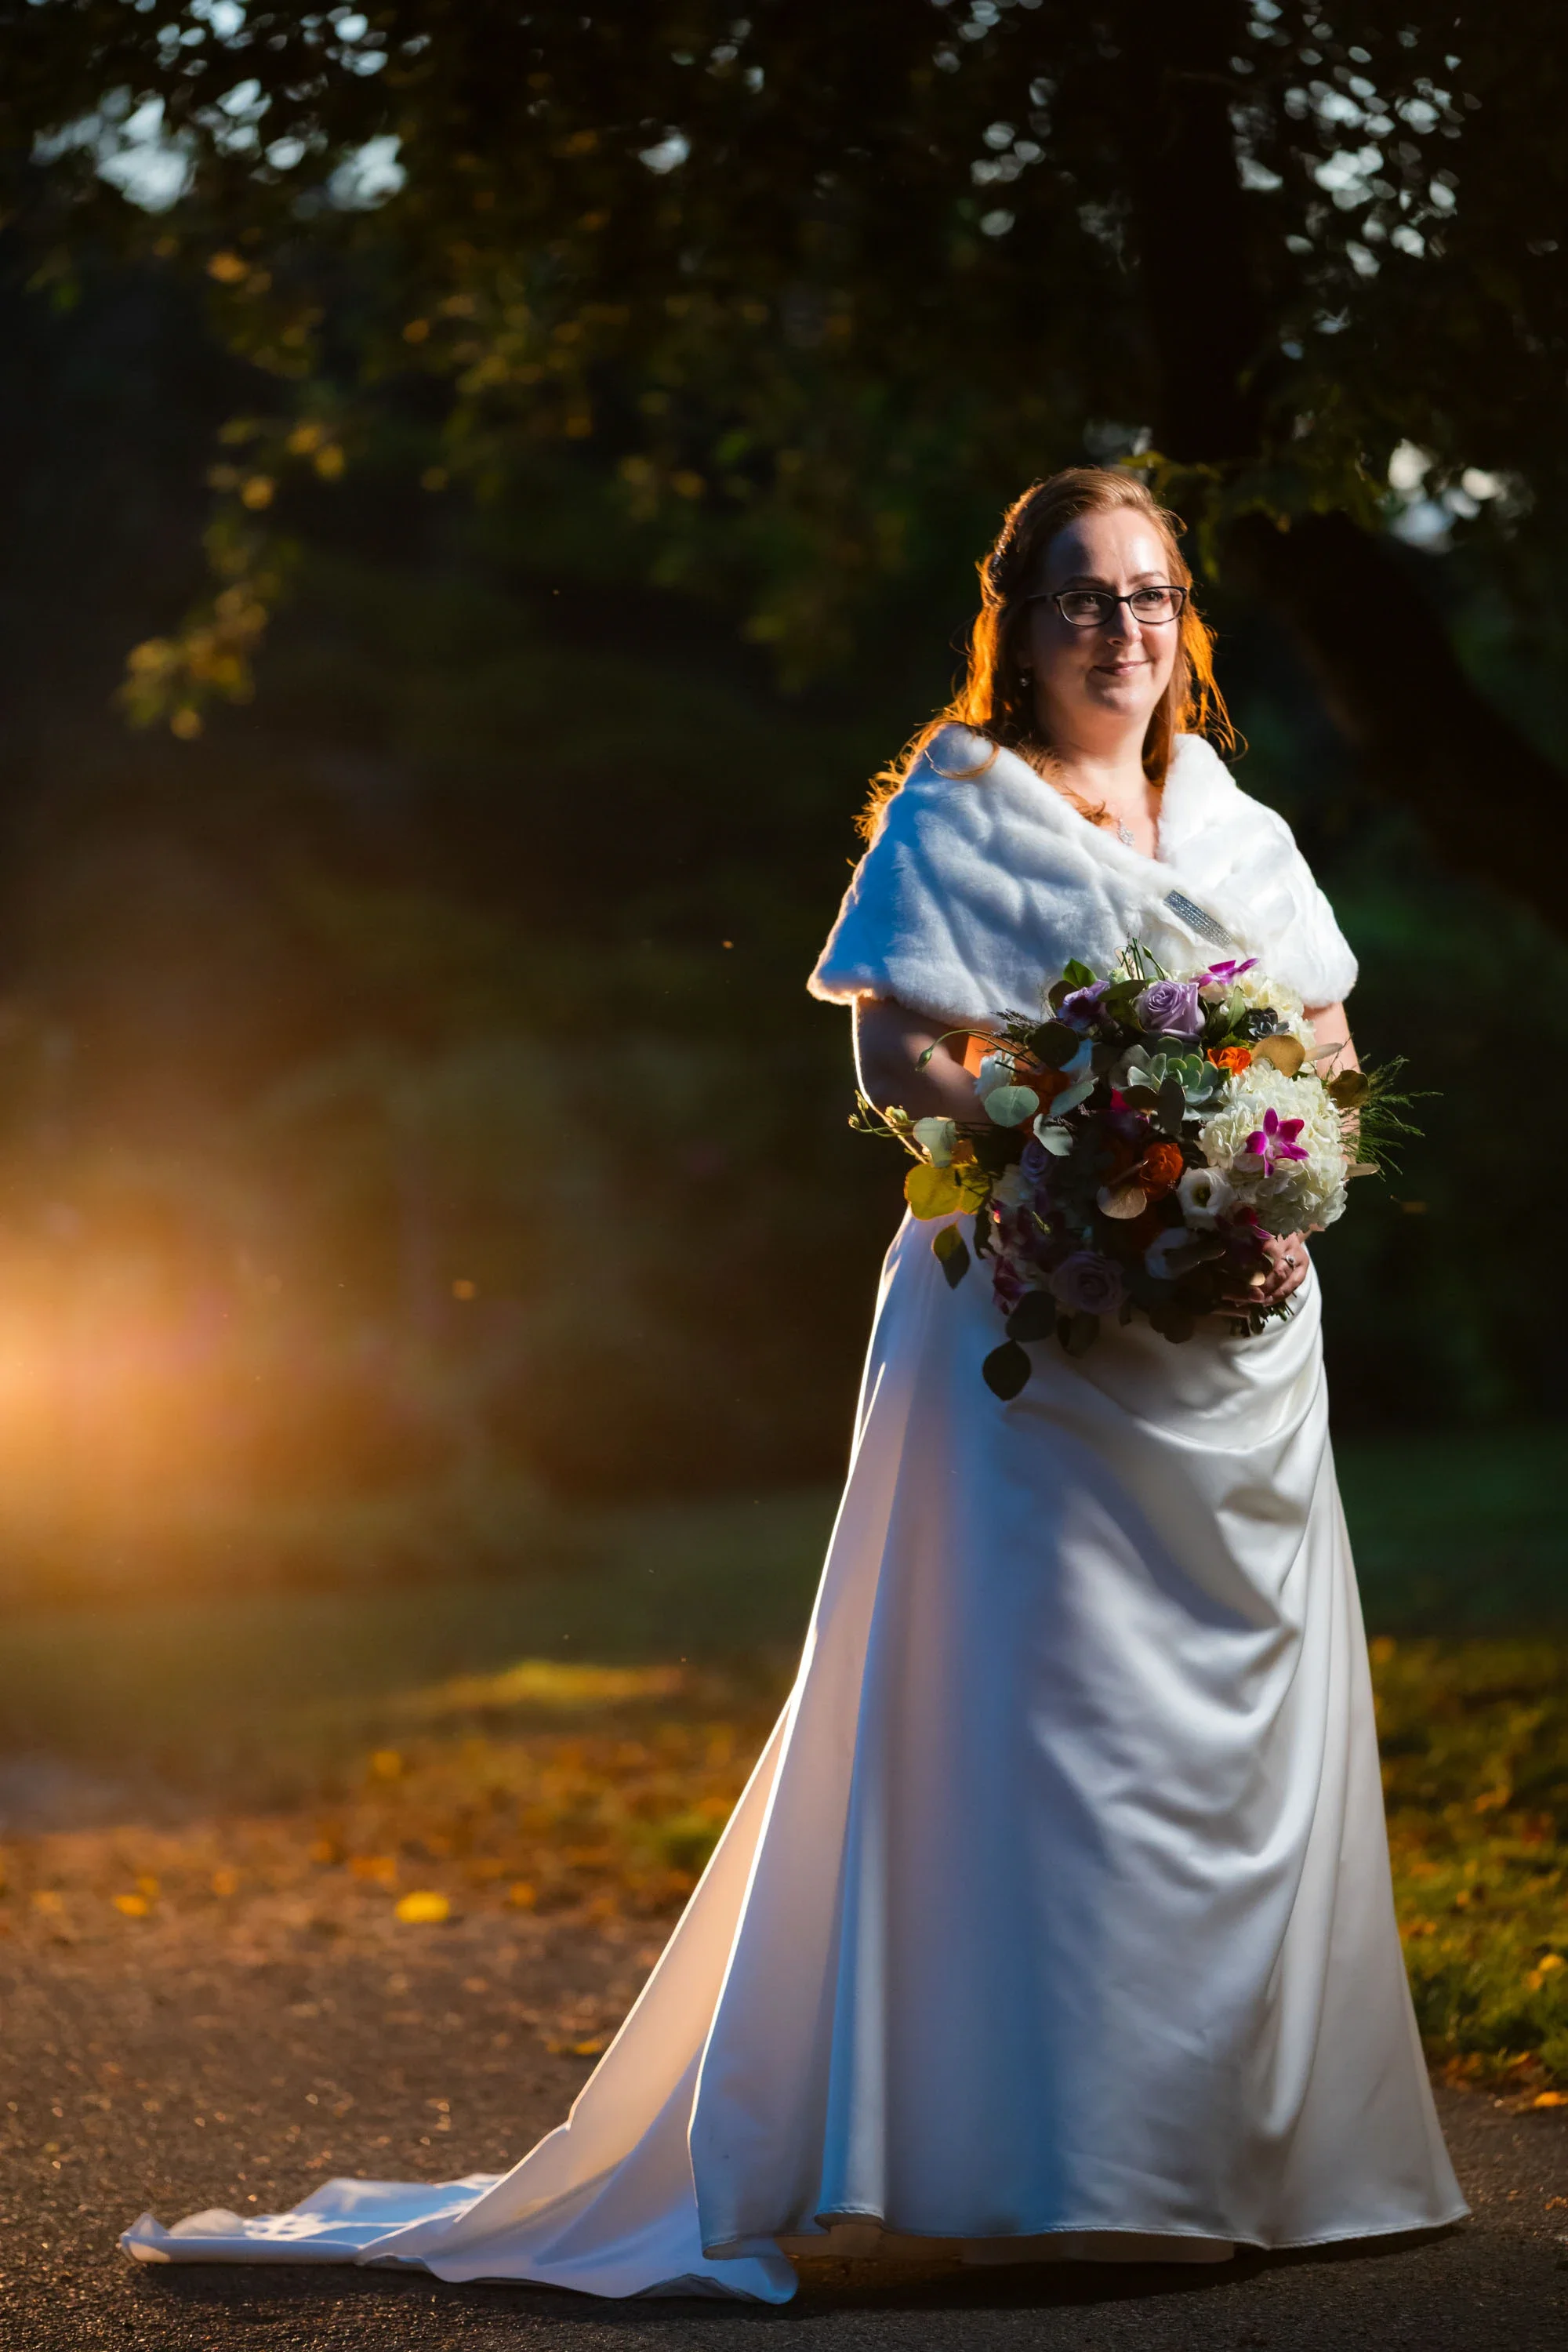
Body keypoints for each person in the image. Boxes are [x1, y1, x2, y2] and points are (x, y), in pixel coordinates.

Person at [123, 468, 1465, 2299]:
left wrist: (1272, 1198)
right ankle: (1054, 2171)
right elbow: (897, 1050)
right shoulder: (961, 801)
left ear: (1185, 621)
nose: (1121, 631)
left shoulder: (1238, 821)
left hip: (1235, 1342)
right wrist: (1073, 1159)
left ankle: (1244, 2159)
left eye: (1150, 595)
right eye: (1081, 597)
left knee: (1236, 1753)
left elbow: (1321, 1043)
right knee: (1053, 1729)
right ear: (1019, 620)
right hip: (1036, 1316)